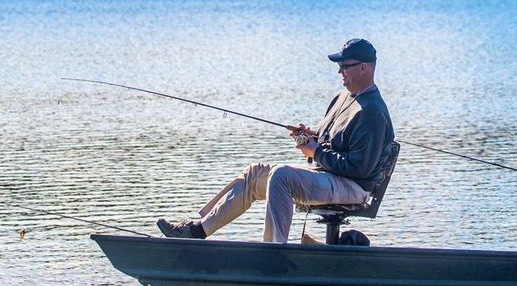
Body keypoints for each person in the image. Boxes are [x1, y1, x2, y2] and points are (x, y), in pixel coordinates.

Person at [157, 38, 395, 244]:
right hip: (330, 176)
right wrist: (310, 136)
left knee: (281, 175)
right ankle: (197, 231)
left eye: (345, 66)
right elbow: (331, 140)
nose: (339, 71)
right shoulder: (343, 97)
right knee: (256, 173)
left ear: (364, 68)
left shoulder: (372, 110)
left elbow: (359, 167)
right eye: (339, 66)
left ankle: (274, 249)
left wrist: (316, 153)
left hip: (352, 187)